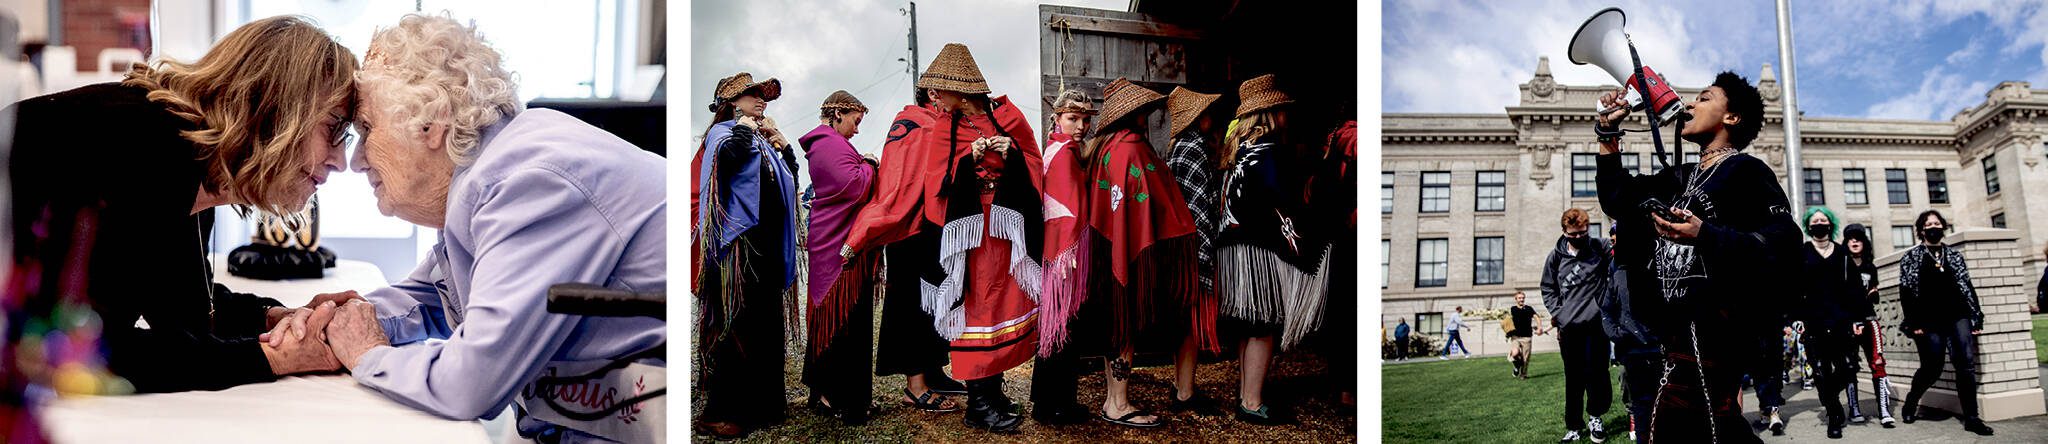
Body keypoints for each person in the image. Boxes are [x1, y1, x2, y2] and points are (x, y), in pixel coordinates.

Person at [294, 14, 671, 442]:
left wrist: (367, 354)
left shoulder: (529, 182)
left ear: (429, 124)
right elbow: (433, 298)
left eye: (366, 129)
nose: (356, 160)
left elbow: (470, 383)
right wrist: (332, 320)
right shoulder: (490, 175)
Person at [5, 15, 357, 392]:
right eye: (332, 128)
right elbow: (83, 350)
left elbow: (184, 309)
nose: (341, 161)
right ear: (276, 106)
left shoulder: (191, 167)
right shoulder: (143, 145)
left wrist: (281, 320)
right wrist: (275, 358)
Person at [842, 43, 1044, 433]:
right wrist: (968, 161)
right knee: (977, 305)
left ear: (962, 91)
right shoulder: (943, 128)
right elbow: (935, 180)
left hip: (1004, 231)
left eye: (942, 90)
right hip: (968, 235)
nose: (937, 97)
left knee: (1001, 303)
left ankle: (993, 390)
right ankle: (979, 403)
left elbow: (1033, 162)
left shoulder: (1008, 115)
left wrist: (1012, 152)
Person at [1595, 71, 1800, 444]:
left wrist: (1705, 234)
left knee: (1675, 425)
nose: (1690, 104)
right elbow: (1618, 200)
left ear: (1731, 118)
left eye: (1704, 98)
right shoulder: (1681, 177)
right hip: (1675, 330)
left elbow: (1785, 240)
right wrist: (1608, 134)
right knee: (1709, 425)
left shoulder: (1747, 171)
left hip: (1718, 330)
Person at [1079, 78, 1204, 428]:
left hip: (1107, 248)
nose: (1148, 117)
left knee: (1114, 322)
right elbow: (1157, 200)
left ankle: (1112, 398)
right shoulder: (1131, 148)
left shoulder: (1105, 147)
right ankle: (1117, 404)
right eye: (1144, 111)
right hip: (1130, 251)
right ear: (1133, 114)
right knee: (1124, 323)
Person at [1217, 73, 1332, 425]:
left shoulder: (1238, 152)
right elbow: (1282, 203)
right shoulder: (1269, 154)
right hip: (1255, 248)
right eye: (1282, 109)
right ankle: (1252, 402)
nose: (1287, 116)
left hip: (1232, 248)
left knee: (1250, 321)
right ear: (1271, 113)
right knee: (1264, 323)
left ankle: (1245, 393)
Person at [688, 67, 796, 439]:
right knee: (734, 326)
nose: (761, 99)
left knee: (765, 325)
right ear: (732, 102)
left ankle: (763, 404)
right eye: (752, 94)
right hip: (737, 248)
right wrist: (743, 131)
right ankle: (718, 410)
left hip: (764, 245)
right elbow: (726, 165)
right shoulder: (722, 135)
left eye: (761, 95)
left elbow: (788, 180)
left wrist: (785, 146)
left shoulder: (762, 141)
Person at [799, 90, 882, 424]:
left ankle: (832, 392)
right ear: (837, 113)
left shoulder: (827, 144)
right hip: (838, 249)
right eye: (855, 121)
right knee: (845, 324)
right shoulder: (827, 144)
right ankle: (842, 398)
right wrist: (870, 163)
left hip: (835, 242)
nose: (857, 129)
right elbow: (854, 188)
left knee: (848, 323)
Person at [1031, 87, 1097, 425]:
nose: (1081, 126)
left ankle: (1050, 402)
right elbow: (1063, 206)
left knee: (1057, 326)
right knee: (1062, 326)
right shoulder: (1063, 153)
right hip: (1064, 253)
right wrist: (1069, 250)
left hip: (1061, 250)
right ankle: (1055, 405)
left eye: (1085, 120)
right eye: (1073, 118)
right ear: (1057, 118)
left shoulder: (1060, 150)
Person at [1164, 85, 1231, 415]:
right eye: (1206, 114)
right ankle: (1186, 393)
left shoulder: (1177, 148)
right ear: (1197, 120)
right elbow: (1198, 206)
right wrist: (1206, 250)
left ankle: (1183, 386)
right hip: (1191, 246)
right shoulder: (1193, 150)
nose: (1211, 118)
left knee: (1183, 322)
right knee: (1190, 323)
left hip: (1178, 247)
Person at [1898, 210, 1994, 436]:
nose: (1933, 226)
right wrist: (1913, 322)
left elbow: (1966, 286)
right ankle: (1912, 401)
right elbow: (1906, 292)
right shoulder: (1911, 257)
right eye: (1929, 224)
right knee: (1933, 366)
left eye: (1937, 223)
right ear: (1921, 230)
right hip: (1928, 320)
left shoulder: (1954, 255)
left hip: (1957, 315)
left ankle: (1972, 417)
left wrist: (1975, 315)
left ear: (1943, 227)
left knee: (1965, 365)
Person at [1795, 207, 1871, 439]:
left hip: (1841, 322)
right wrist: (1795, 317)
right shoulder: (1801, 253)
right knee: (1820, 372)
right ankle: (1834, 414)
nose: (1820, 223)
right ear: (1809, 226)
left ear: (1831, 225)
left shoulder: (1842, 254)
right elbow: (1794, 288)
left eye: (1824, 220)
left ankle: (1829, 398)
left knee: (1849, 367)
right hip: (1813, 322)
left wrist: (1859, 318)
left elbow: (1856, 289)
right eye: (1815, 221)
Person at [1542, 208, 1612, 443]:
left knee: (1597, 374)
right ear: (1564, 232)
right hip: (1570, 329)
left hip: (1596, 326)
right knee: (1573, 378)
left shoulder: (1599, 248)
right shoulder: (1555, 257)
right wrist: (1559, 314)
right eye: (1574, 235)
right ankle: (1573, 426)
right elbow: (1547, 288)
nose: (1579, 238)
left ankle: (1595, 417)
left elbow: (1621, 253)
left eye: (1583, 233)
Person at [1601, 222, 1662, 444]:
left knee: (1667, 409)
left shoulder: (1657, 263)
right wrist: (1617, 333)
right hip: (1632, 351)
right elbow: (1606, 309)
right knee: (1641, 408)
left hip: (1661, 350)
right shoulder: (1616, 269)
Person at [1840, 223, 1894, 427]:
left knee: (1878, 363)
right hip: (1848, 323)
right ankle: (1854, 408)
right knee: (1850, 365)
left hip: (1869, 320)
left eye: (1858, 238)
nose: (1854, 241)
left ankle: (1884, 410)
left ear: (1865, 242)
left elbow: (1872, 293)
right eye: (1850, 238)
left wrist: (1874, 294)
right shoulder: (1842, 265)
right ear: (1845, 242)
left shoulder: (1870, 266)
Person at [1506, 291, 1544, 379]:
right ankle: (1516, 367)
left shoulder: (1529, 308)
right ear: (1516, 299)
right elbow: (1508, 322)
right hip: (1515, 337)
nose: (1521, 299)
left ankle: (1523, 374)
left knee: (1525, 358)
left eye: (1523, 298)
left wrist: (1539, 327)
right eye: (1519, 298)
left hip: (1527, 337)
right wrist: (1508, 333)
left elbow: (1537, 318)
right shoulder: (1513, 309)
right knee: (1515, 353)